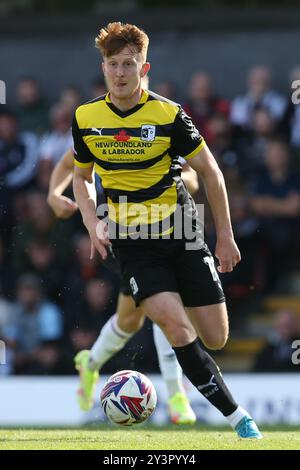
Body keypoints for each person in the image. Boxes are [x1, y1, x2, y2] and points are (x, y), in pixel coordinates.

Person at [72, 22, 262, 438]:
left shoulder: (169, 114)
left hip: (181, 231)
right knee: (175, 328)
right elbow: (81, 176)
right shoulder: (85, 117)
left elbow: (210, 172)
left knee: (215, 337)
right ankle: (238, 419)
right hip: (132, 242)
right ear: (103, 68)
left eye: (129, 64)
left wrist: (225, 236)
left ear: (145, 69)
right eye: (113, 64)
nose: (120, 72)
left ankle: (169, 383)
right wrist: (91, 221)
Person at [48, 147, 198, 424]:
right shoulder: (102, 131)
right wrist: (53, 194)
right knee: (164, 302)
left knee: (130, 320)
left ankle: (89, 364)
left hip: (164, 232)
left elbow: (193, 178)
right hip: (120, 236)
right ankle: (177, 393)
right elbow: (67, 162)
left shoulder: (161, 129)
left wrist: (169, 182)